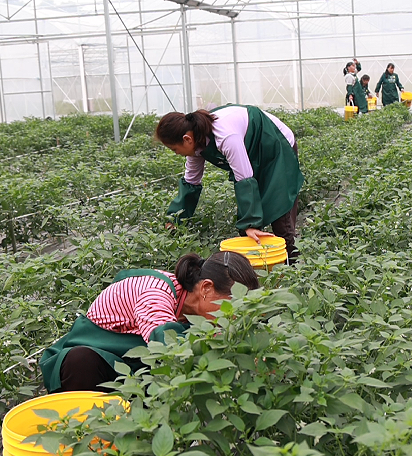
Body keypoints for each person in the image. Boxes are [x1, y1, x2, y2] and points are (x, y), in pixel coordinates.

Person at [40, 251, 260, 393]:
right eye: (232, 304)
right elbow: (166, 345)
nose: (234, 315)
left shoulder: (193, 309)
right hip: (95, 363)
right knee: (81, 361)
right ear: (206, 288)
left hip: (129, 366)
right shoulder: (155, 292)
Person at [159, 105, 304, 259]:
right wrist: (174, 220)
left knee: (279, 213)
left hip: (275, 142)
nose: (177, 154)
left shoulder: (226, 136)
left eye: (174, 149)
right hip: (252, 150)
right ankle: (256, 269)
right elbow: (191, 182)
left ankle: (293, 267)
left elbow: (244, 178)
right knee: (247, 232)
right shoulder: (196, 143)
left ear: (186, 139)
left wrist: (250, 224)